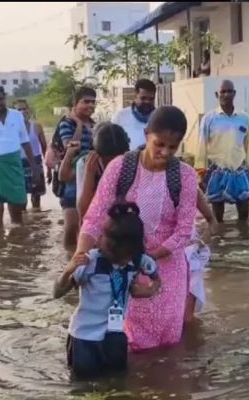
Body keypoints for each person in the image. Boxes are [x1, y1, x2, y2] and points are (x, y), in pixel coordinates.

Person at [74, 106, 198, 351]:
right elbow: (94, 218)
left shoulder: (185, 176)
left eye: (172, 148)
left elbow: (184, 230)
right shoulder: (120, 168)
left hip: (166, 271)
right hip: (123, 263)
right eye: (159, 144)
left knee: (168, 344)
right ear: (146, 134)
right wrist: (80, 257)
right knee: (126, 341)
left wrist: (148, 258)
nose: (164, 152)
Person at [53, 202, 161, 379]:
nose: (124, 260)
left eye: (128, 256)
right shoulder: (90, 263)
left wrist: (149, 290)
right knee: (83, 387)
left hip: (115, 336)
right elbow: (56, 293)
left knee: (117, 384)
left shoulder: (139, 262)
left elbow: (150, 283)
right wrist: (68, 271)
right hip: (84, 338)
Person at [0, 85, 42, 231]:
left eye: (1, 99)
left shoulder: (16, 116)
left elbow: (25, 142)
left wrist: (35, 168)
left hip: (14, 166)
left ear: (5, 98)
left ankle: (17, 248)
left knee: (17, 213)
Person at [198, 80, 249, 223]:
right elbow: (201, 146)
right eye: (222, 91)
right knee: (217, 215)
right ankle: (219, 241)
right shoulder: (209, 118)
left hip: (239, 169)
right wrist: (200, 172)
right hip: (217, 169)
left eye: (229, 91)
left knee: (244, 212)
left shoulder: (244, 117)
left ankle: (244, 242)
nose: (226, 94)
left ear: (234, 94)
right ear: (217, 94)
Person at [53, 87, 97, 250]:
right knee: (71, 226)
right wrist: (78, 125)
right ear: (75, 103)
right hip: (70, 177)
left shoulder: (94, 125)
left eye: (93, 102)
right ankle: (68, 258)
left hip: (89, 175)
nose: (90, 105)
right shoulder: (67, 123)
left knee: (88, 226)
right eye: (86, 102)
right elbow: (70, 147)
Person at [14, 98, 47, 211]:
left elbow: (44, 148)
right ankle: (25, 224)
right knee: (21, 200)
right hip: (18, 164)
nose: (23, 111)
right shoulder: (11, 128)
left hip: (36, 163)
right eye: (19, 109)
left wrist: (49, 169)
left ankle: (37, 222)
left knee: (36, 198)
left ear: (28, 110)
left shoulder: (36, 126)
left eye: (24, 108)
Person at [111, 79, 156, 150]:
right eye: (143, 98)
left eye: (151, 99)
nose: (147, 102)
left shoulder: (160, 118)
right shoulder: (120, 117)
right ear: (135, 96)